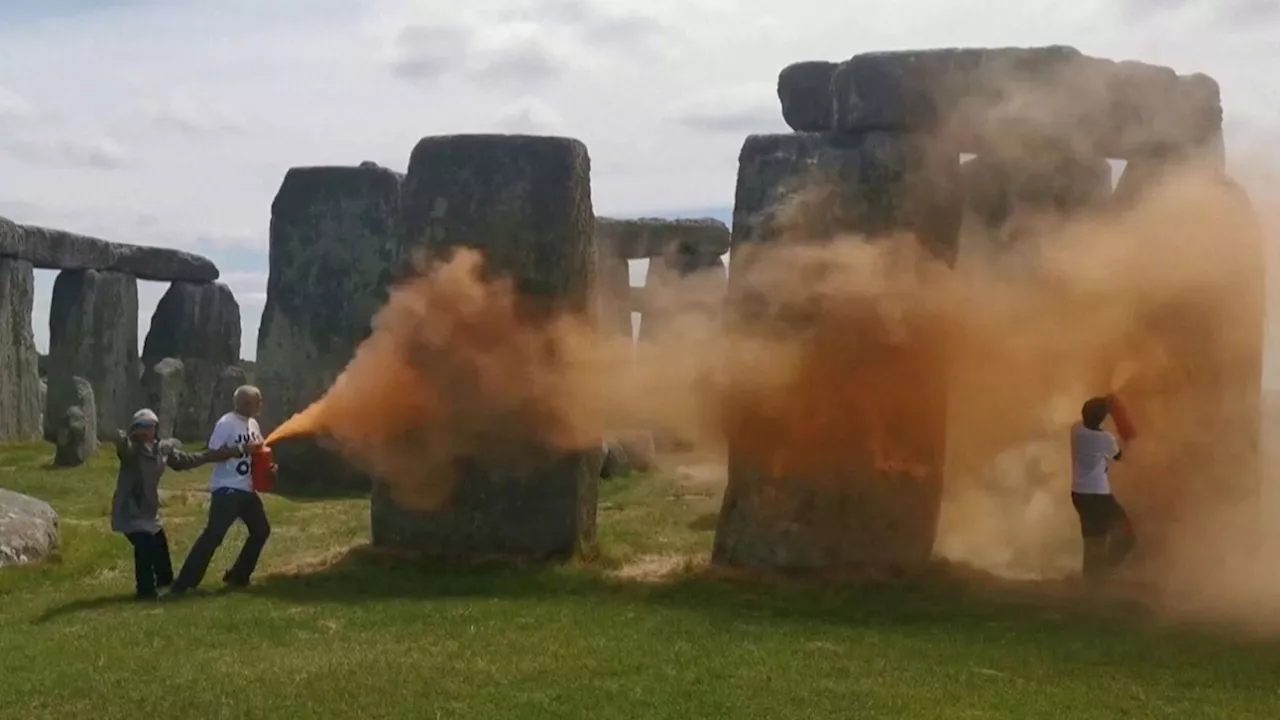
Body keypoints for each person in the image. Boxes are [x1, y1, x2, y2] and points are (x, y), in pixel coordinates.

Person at [111, 408, 237, 601]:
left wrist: (217, 455)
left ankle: (165, 583)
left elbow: (186, 460)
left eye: (148, 426)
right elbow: (123, 448)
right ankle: (145, 592)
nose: (144, 431)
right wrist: (119, 437)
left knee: (159, 546)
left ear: (155, 428)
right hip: (130, 510)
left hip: (149, 509)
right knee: (144, 547)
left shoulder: (162, 449)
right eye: (139, 427)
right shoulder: (132, 451)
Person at [170, 385, 277, 595]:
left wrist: (270, 468)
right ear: (246, 403)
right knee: (214, 536)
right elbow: (212, 452)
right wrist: (240, 450)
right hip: (227, 489)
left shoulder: (253, 424)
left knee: (261, 530)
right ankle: (183, 584)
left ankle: (238, 576)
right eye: (258, 401)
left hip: (247, 489)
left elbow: (258, 454)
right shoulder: (226, 423)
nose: (261, 404)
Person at [1069, 396, 1136, 580]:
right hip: (1098, 495)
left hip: (1079, 494)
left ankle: (1090, 581)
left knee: (1093, 540)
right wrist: (1118, 415)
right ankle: (1103, 571)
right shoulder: (1105, 439)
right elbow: (1121, 456)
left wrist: (1106, 406)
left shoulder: (1076, 430)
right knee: (1127, 534)